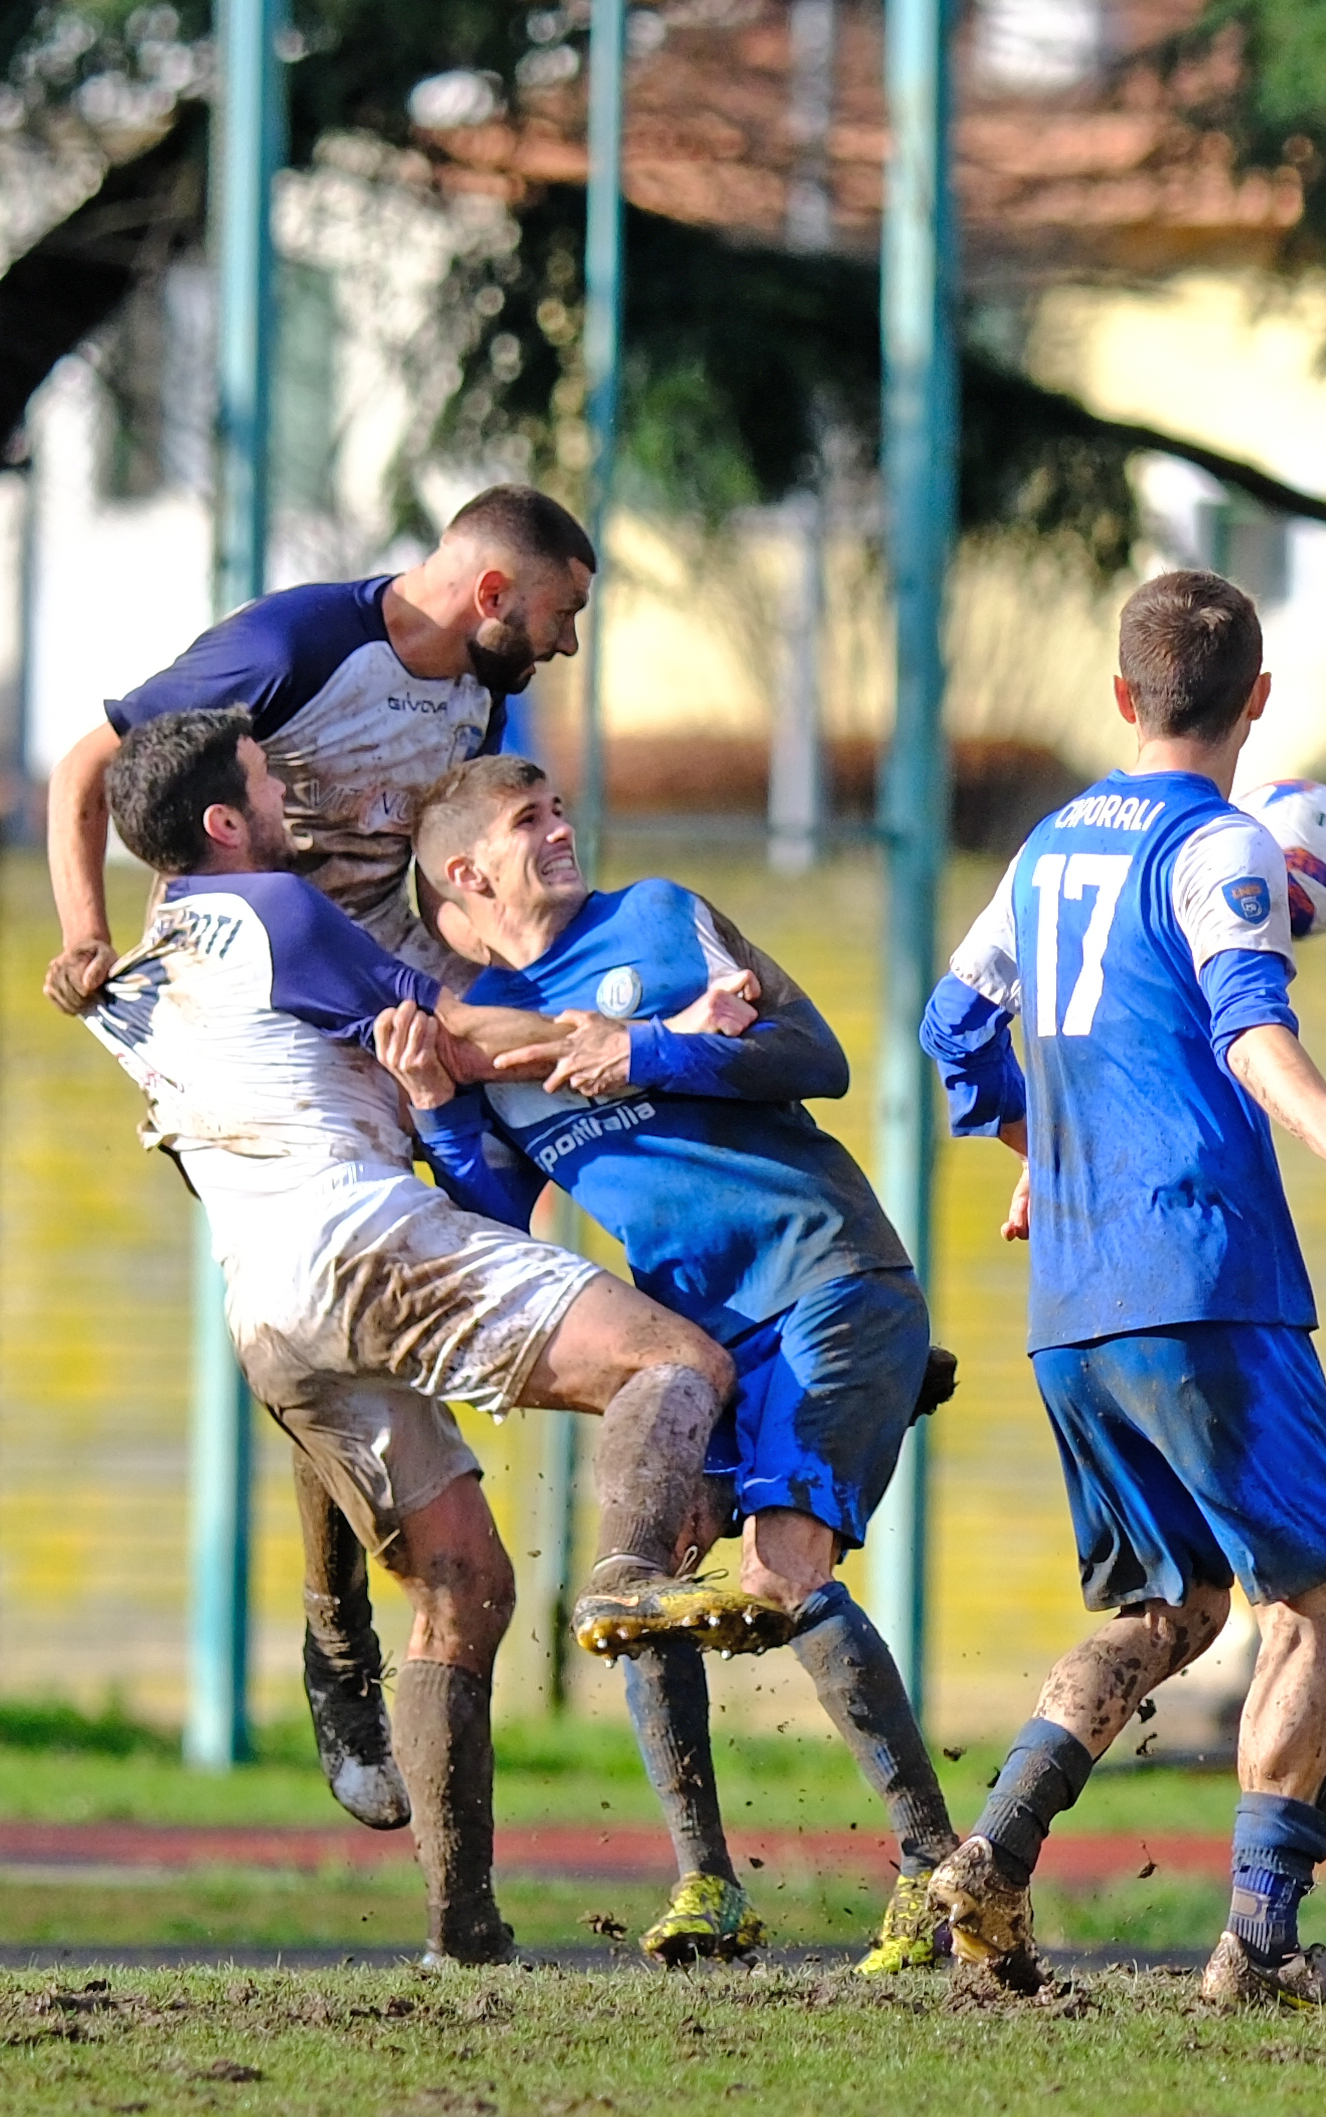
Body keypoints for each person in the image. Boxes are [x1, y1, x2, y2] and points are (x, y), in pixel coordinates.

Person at [76, 707, 754, 1967]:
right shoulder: (272, 908)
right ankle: (629, 1581)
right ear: (228, 824)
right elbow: (454, 1028)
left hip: (266, 1311)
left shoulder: (135, 976)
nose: (303, 803)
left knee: (466, 1590)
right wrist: (656, 1043)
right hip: (366, 1244)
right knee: (676, 1365)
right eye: (277, 786)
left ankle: (462, 1930)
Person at [41, 483, 597, 1835]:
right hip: (257, 1000)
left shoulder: (475, 702)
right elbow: (88, 765)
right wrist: (81, 928)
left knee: (578, 1119)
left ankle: (729, 1361)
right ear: (490, 593)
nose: (564, 644)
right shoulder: (296, 646)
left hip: (379, 993)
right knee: (325, 1285)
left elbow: (438, 861)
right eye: (559, 613)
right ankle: (334, 1627)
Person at [920, 570, 1326, 2011]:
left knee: (1169, 1605)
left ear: (1121, 697)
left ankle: (993, 1852)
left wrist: (1046, 1145)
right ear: (1256, 703)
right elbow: (1249, 1028)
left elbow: (956, 1034)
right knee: (1310, 1608)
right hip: (1202, 1274)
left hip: (1074, 1303)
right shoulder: (1223, 849)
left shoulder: (1047, 846)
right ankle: (1258, 1947)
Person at [387, 753, 960, 1975]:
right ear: (465, 873)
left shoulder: (656, 917)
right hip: (702, 1340)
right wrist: (438, 1111)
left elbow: (815, 1054)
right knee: (639, 1580)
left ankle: (934, 1873)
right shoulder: (487, 1043)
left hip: (826, 1276)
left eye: (556, 810)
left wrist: (650, 1048)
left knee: (782, 1565)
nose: (558, 830)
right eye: (526, 820)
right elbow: (502, 1219)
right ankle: (711, 1885)